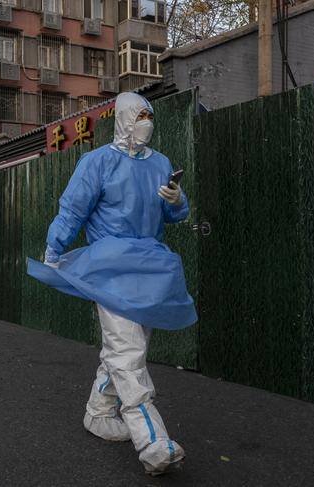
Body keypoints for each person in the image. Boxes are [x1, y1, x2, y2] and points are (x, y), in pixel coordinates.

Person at [27, 92, 197, 476]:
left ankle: (98, 413)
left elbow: (172, 214)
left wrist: (176, 200)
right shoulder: (97, 162)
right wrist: (53, 250)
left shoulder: (161, 164)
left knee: (127, 348)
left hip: (151, 268)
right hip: (109, 268)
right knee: (128, 351)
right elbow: (72, 210)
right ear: (122, 118)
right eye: (139, 114)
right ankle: (152, 439)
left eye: (148, 114)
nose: (145, 121)